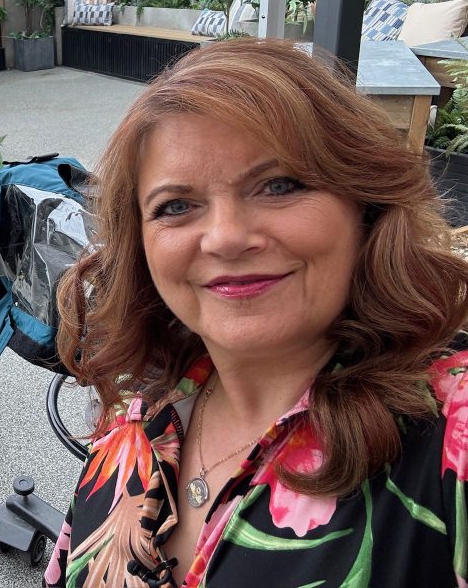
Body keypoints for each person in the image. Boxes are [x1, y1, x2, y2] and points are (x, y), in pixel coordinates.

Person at [44, 38, 468, 588]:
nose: (225, 238)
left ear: (365, 206)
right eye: (176, 206)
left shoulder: (451, 429)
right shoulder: (136, 414)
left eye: (279, 186)